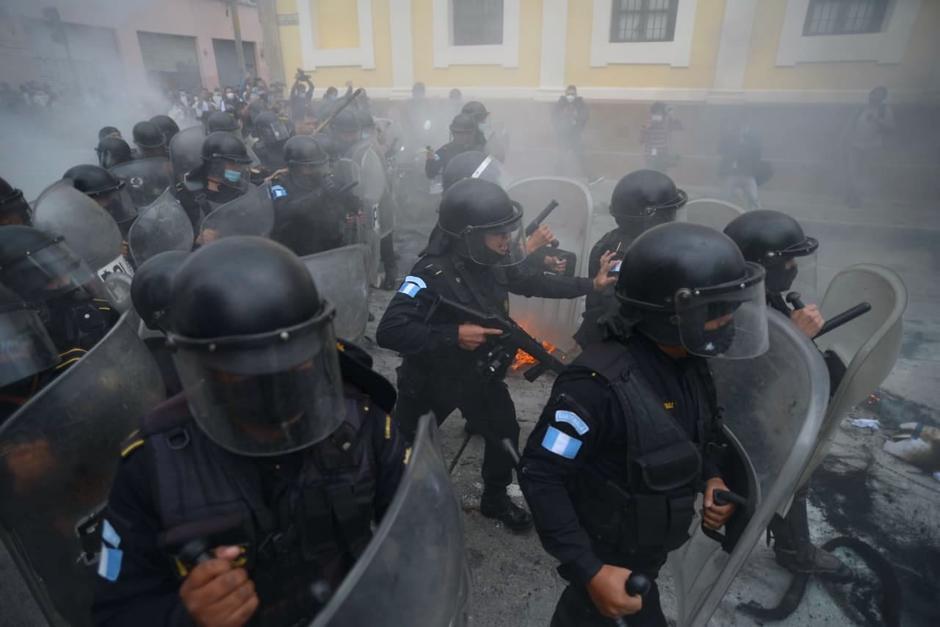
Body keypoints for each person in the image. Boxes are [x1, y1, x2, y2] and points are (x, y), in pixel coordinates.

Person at [92, 236, 407, 626]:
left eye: (294, 361)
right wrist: (186, 616)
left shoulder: (360, 420)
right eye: (250, 371)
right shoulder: (152, 464)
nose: (279, 386)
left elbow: (418, 529)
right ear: (200, 366)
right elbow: (114, 609)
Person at [520, 222, 769, 626]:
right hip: (611, 561)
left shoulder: (687, 362)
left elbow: (692, 433)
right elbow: (541, 474)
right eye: (717, 310)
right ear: (672, 315)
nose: (728, 320)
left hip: (647, 557)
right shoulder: (595, 387)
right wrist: (590, 570)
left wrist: (711, 478)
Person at [376, 178, 617, 533]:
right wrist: (452, 334)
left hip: (478, 377)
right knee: (404, 448)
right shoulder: (429, 274)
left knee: (504, 432)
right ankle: (389, 511)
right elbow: (390, 330)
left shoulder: (490, 261)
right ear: (468, 236)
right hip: (429, 381)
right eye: (497, 233)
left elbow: (534, 282)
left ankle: (495, 498)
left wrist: (589, 285)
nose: (507, 240)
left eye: (508, 230)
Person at [723, 210, 849, 579]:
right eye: (789, 260)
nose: (794, 268)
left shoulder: (756, 293)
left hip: (748, 412)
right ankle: (794, 550)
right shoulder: (736, 308)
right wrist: (795, 339)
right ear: (764, 263)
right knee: (792, 466)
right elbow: (739, 382)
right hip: (729, 424)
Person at [574, 170, 686, 348]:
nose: (673, 217)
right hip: (621, 349)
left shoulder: (619, 240)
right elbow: (615, 314)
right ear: (652, 215)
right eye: (669, 212)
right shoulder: (626, 254)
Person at [0, 225, 118, 363]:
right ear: (16, 286)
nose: (66, 281)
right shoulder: (20, 347)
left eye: (64, 271)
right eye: (51, 278)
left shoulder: (96, 307)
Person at [269, 135, 355, 255]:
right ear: (294, 166)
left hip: (331, 250)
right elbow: (285, 212)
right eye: (309, 166)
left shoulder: (326, 180)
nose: (315, 170)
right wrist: (319, 194)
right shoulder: (279, 184)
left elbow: (353, 208)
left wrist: (346, 198)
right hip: (297, 252)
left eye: (318, 165)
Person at [175, 131, 253, 229]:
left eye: (240, 165)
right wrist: (198, 238)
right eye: (233, 164)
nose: (239, 169)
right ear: (216, 165)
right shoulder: (188, 197)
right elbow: (181, 238)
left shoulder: (240, 187)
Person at [843, 86, 895, 208]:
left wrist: (877, 119)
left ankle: (862, 197)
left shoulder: (884, 110)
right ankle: (854, 197)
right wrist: (844, 138)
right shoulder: (861, 109)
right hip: (855, 145)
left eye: (878, 94)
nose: (874, 96)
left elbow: (891, 127)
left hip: (872, 147)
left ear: (883, 98)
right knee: (853, 172)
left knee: (865, 173)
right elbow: (850, 124)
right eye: (873, 93)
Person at [63, 164, 138, 237]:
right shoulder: (69, 227)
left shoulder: (114, 206)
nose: (109, 200)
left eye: (109, 194)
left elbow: (130, 229)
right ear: (79, 199)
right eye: (102, 196)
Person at [425, 113, 486, 180]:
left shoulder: (481, 151)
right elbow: (430, 173)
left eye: (468, 133)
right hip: (453, 189)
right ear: (453, 133)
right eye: (460, 133)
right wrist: (430, 161)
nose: (465, 137)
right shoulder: (444, 151)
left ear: (474, 133)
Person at [718, 121, 763, 210]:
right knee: (725, 196)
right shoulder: (732, 141)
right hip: (734, 174)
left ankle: (757, 212)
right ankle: (722, 210)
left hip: (747, 175)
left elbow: (756, 157)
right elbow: (722, 152)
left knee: (754, 198)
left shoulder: (753, 144)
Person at [552, 85, 590, 179]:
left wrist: (576, 119)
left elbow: (584, 117)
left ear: (576, 94)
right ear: (565, 94)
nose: (570, 96)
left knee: (581, 157)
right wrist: (561, 124)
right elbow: (554, 117)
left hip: (574, 136)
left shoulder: (580, 104)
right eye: (568, 94)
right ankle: (556, 177)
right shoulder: (560, 103)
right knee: (561, 157)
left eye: (572, 94)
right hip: (563, 135)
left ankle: (591, 178)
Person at [640, 102, 682, 172]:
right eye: (655, 114)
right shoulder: (647, 125)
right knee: (651, 173)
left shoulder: (667, 124)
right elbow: (641, 141)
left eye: (659, 114)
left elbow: (680, 127)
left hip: (663, 155)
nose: (657, 116)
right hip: (651, 156)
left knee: (662, 174)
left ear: (664, 115)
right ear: (652, 114)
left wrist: (671, 115)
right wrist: (645, 129)